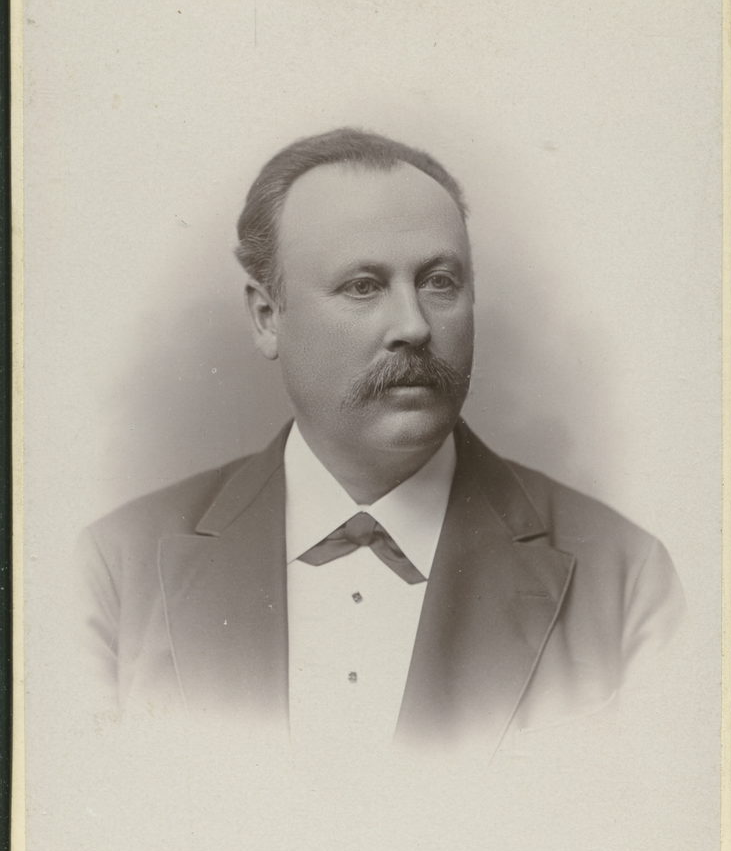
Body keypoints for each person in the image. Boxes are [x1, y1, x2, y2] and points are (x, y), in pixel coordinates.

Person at [77, 128, 684, 757]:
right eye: (363, 286)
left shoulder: (628, 581)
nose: (414, 326)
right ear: (266, 317)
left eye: (439, 282)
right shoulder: (114, 571)